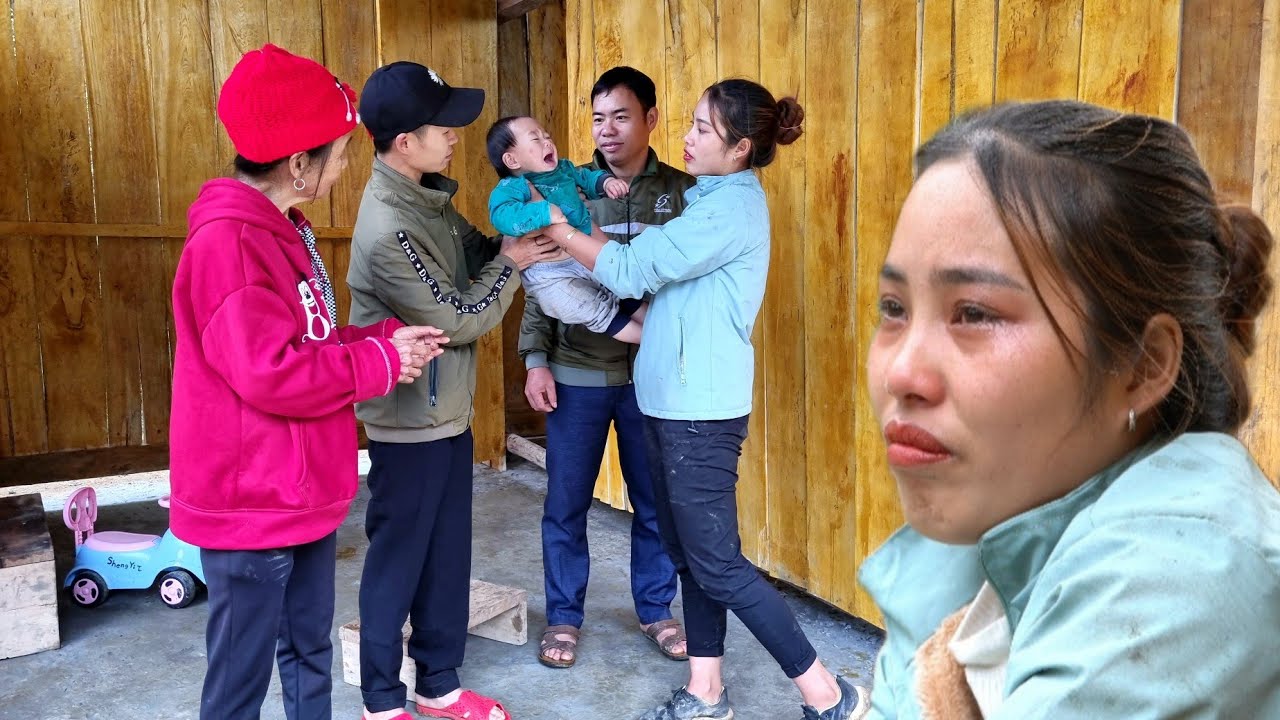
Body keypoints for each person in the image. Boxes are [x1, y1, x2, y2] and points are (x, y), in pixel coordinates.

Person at [860, 99, 1280, 718]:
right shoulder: (1009, 508)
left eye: (974, 313)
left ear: (1142, 367)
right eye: (894, 308)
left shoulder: (1178, 576)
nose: (900, 372)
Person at [543, 77, 863, 720]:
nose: (686, 139)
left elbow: (635, 268)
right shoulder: (708, 198)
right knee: (691, 557)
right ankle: (706, 690)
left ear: (740, 148)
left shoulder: (730, 208)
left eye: (701, 130)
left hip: (701, 412)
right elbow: (650, 263)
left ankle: (830, 695)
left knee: (718, 564)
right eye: (689, 124)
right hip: (667, 401)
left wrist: (556, 228)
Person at [169, 44, 442, 720]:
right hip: (252, 505)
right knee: (240, 677)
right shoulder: (229, 246)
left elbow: (307, 343)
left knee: (309, 652)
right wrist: (376, 367)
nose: (346, 164)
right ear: (299, 164)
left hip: (299, 492)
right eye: (340, 152)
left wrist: (380, 341)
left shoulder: (284, 229)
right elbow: (270, 372)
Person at [346, 61, 556, 720]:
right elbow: (461, 317)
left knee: (445, 557)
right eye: (445, 124)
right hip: (408, 422)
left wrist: (520, 234)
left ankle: (438, 687)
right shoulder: (391, 227)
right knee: (397, 562)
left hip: (445, 413)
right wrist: (514, 263)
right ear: (404, 142)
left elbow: (479, 255)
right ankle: (382, 703)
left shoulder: (425, 198)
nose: (458, 133)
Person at [518, 66, 696, 670]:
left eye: (622, 116)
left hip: (651, 379)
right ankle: (564, 618)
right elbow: (541, 281)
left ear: (650, 119)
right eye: (598, 118)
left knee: (654, 500)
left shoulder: (682, 191)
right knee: (566, 502)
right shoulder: (561, 188)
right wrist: (536, 359)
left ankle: (655, 608)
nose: (608, 129)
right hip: (576, 374)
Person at [486, 114, 645, 343]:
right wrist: (542, 212)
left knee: (620, 288)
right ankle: (650, 340)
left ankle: (662, 328)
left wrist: (604, 182)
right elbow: (502, 215)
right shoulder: (512, 188)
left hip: (583, 251)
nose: (547, 142)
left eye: (547, 136)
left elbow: (585, 178)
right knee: (592, 308)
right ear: (512, 161)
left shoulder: (564, 170)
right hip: (551, 273)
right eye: (536, 139)